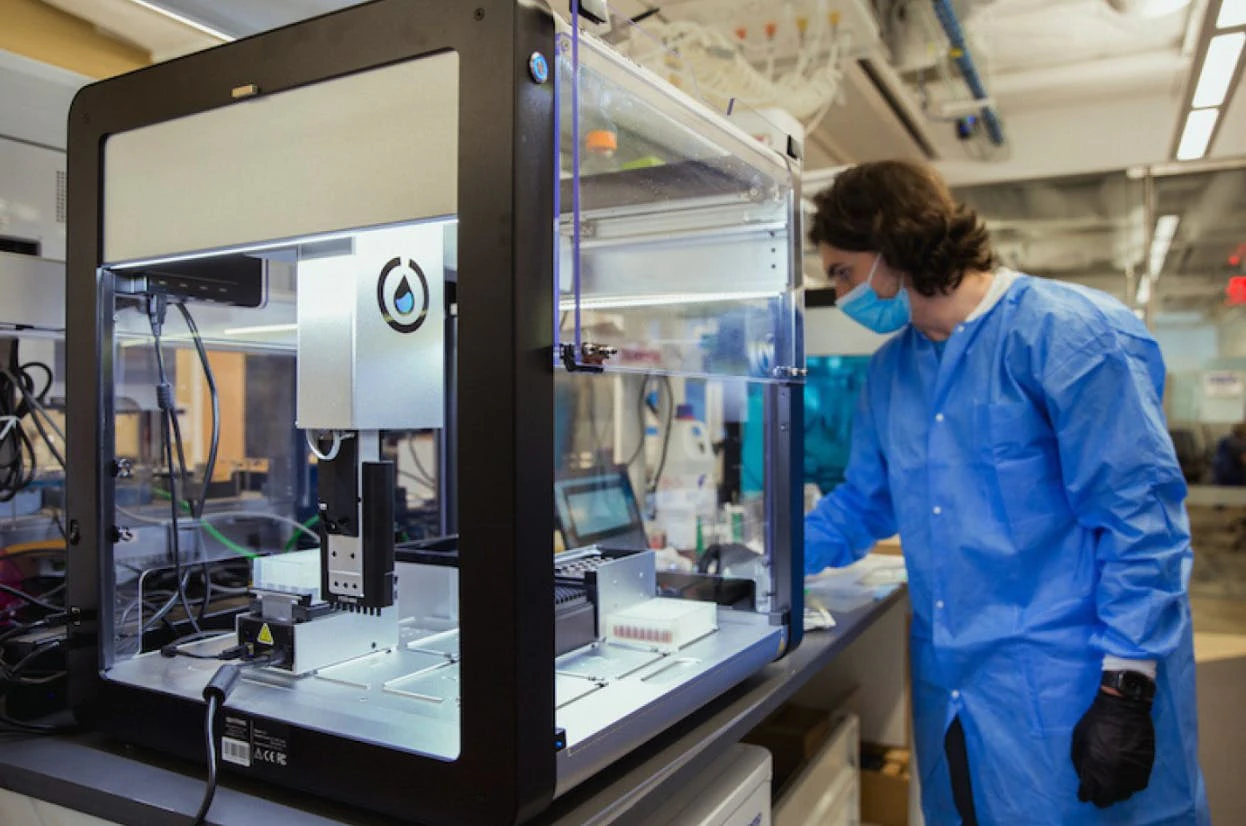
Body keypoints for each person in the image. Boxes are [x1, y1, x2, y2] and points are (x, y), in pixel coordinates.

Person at [804, 160, 1208, 825]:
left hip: (1068, 682)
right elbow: (862, 502)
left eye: (844, 272)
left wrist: (1126, 686)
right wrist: (768, 561)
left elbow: (1141, 522)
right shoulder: (890, 371)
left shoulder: (1071, 336)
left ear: (895, 246)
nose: (842, 294)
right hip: (957, 685)